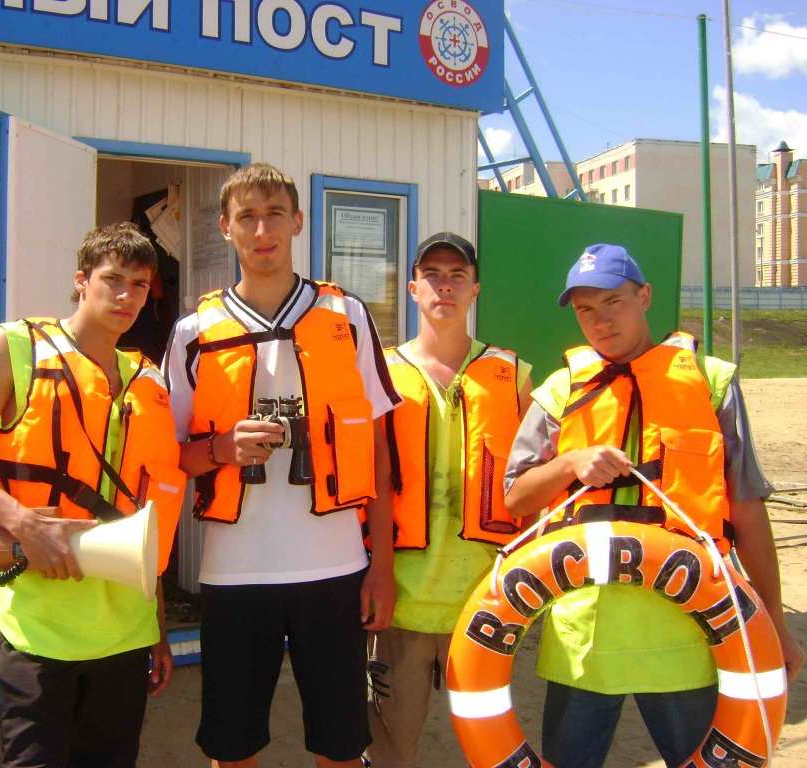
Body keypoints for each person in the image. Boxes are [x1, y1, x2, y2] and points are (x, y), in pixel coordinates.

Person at [503, 243, 805, 768]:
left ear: (644, 297)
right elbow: (516, 497)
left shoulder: (711, 383)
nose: (601, 320)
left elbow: (748, 511)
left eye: (613, 301)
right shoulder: (558, 391)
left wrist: (775, 623)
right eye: (585, 309)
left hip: (690, 634)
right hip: (584, 640)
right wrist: (570, 463)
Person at [162, 163, 401, 768]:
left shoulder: (347, 317)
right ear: (225, 227)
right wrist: (221, 449)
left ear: (297, 221)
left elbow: (377, 449)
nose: (262, 230)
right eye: (246, 216)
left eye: (274, 215)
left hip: (335, 567)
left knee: (342, 744)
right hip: (235, 573)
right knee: (233, 745)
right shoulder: (193, 332)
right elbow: (167, 458)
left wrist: (381, 565)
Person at [0, 222, 186, 768]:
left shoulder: (147, 379)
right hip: (38, 628)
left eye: (139, 285)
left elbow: (144, 515)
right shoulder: (15, 347)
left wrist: (158, 630)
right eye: (112, 279)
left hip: (125, 631)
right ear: (81, 280)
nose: (125, 296)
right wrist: (25, 524)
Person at [363, 232, 533, 768]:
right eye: (432, 275)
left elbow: (534, 485)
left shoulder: (514, 376)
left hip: (485, 602)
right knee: (389, 750)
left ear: (475, 289)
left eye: (457, 275)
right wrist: (376, 574)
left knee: (491, 748)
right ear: (412, 289)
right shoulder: (380, 373)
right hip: (402, 600)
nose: (444, 286)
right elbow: (368, 484)